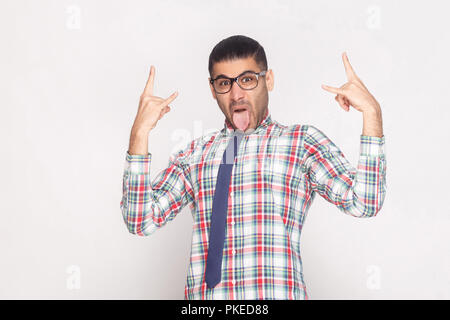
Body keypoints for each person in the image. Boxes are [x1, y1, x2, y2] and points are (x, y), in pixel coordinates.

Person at [120, 35, 386, 300]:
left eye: (247, 79)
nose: (237, 94)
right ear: (213, 90)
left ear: (268, 80)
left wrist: (372, 114)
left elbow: (365, 202)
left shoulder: (301, 143)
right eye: (224, 83)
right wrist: (139, 133)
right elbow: (140, 220)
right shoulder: (193, 154)